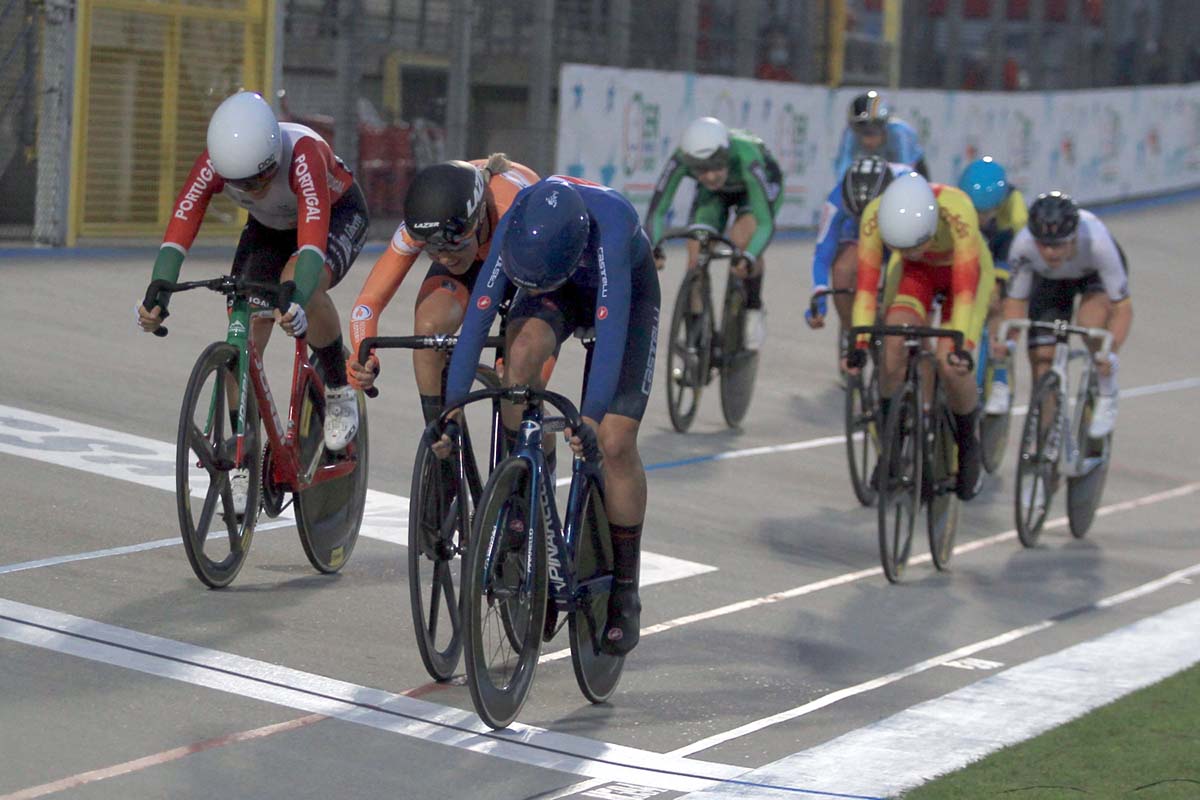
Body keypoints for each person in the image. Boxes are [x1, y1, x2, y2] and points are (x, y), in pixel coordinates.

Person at [439, 176, 660, 656]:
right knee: (518, 360)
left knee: (616, 441)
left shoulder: (614, 228)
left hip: (622, 295)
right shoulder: (521, 214)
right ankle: (527, 491)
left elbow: (611, 334)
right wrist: (451, 407)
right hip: (551, 284)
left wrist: (592, 419)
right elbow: (478, 316)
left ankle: (625, 586)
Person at [136, 90, 368, 511]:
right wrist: (159, 287)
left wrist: (295, 298)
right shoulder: (215, 163)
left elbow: (313, 240)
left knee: (301, 285)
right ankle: (241, 458)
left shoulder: (302, 154)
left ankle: (337, 388)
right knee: (243, 331)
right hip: (269, 228)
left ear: (272, 158)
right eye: (241, 185)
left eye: (260, 179)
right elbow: (184, 217)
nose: (253, 189)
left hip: (334, 215)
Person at [346, 155, 539, 424]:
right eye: (433, 250)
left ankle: (538, 455)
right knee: (428, 328)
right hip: (476, 250)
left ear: (480, 218)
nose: (445, 258)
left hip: (517, 257)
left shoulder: (516, 215)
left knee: (522, 376)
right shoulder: (423, 226)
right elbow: (369, 300)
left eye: (453, 245)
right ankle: (438, 437)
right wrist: (362, 354)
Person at [849, 173, 995, 500]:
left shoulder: (958, 211)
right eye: (900, 248)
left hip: (964, 271)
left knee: (951, 362)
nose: (910, 251)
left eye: (916, 245)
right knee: (892, 345)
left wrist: (963, 345)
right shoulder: (875, 216)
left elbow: (966, 295)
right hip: (917, 276)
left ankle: (969, 444)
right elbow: (866, 290)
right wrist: (857, 343)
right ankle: (891, 446)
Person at [994, 192, 1132, 438]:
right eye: (1043, 244)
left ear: (1074, 236)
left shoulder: (1097, 241)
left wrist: (1109, 353)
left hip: (1093, 277)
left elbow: (1122, 308)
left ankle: (1106, 390)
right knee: (1042, 359)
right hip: (1050, 281)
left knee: (1091, 322)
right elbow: (1016, 302)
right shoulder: (1023, 245)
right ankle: (1048, 444)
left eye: (1058, 244)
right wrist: (1009, 344)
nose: (1050, 252)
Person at [645, 116, 783, 350]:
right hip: (715, 195)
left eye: (715, 166)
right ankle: (695, 337)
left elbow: (765, 224)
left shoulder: (747, 157)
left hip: (755, 190)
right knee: (696, 251)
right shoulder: (681, 158)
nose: (709, 176)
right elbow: (657, 212)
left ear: (726, 155)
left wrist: (749, 256)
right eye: (701, 170)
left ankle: (752, 307)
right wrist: (654, 246)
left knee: (742, 240)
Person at [806, 155, 909, 371]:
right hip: (857, 235)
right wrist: (819, 300)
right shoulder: (837, 199)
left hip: (897, 224)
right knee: (843, 270)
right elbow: (823, 253)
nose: (865, 218)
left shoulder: (909, 186)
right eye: (857, 214)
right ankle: (850, 331)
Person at [958, 156, 1027, 415]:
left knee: (997, 304)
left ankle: (999, 378)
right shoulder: (959, 200)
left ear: (998, 206)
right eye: (975, 212)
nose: (980, 217)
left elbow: (1016, 260)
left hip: (1006, 254)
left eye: (985, 213)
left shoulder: (1016, 213)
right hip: (973, 249)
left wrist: (997, 283)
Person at [833, 90, 928, 179]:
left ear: (884, 127)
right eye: (860, 131)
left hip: (913, 166)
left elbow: (905, 171)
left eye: (871, 132)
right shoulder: (850, 134)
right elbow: (842, 169)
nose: (866, 140)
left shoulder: (898, 134)